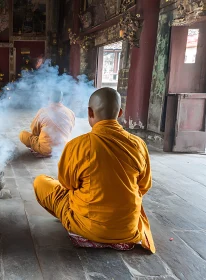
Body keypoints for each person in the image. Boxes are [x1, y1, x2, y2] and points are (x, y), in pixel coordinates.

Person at [33, 87, 155, 253]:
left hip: (87, 228)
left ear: (90, 112)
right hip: (127, 230)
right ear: (120, 113)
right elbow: (144, 186)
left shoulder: (78, 145)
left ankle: (87, 232)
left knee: (41, 182)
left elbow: (67, 184)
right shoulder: (138, 144)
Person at [19, 91, 75, 157]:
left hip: (46, 150)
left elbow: (34, 130)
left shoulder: (43, 111)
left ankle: (41, 150)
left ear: (49, 98)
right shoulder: (70, 112)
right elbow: (70, 129)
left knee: (23, 134)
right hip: (63, 148)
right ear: (62, 99)